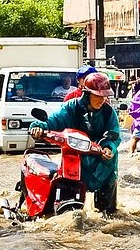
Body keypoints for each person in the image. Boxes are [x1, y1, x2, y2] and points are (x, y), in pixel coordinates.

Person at [29, 71, 120, 215]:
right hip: (76, 157)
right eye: (97, 95)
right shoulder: (71, 107)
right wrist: (39, 127)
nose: (101, 100)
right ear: (87, 93)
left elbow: (114, 134)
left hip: (102, 159)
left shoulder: (109, 113)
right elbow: (53, 121)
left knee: (109, 213)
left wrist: (109, 148)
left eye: (104, 96)